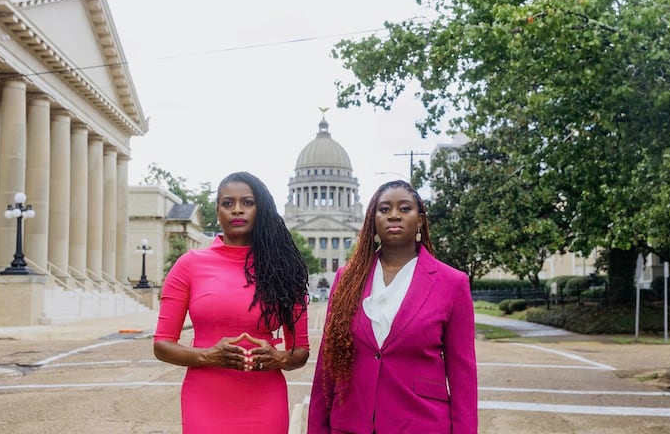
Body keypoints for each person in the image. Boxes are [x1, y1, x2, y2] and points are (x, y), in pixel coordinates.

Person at [308, 180, 478, 433]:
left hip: (420, 423)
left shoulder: (452, 283)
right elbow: (327, 363)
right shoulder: (347, 278)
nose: (394, 215)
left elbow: (462, 375)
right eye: (384, 209)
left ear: (420, 220)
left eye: (405, 208)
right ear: (372, 220)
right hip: (351, 423)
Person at [153, 171, 310, 434]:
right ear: (218, 211)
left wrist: (278, 358)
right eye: (228, 203)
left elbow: (300, 352)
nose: (237, 210)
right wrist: (208, 355)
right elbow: (161, 345)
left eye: (247, 202)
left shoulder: (285, 270)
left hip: (264, 398)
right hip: (205, 397)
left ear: (261, 209)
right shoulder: (189, 265)